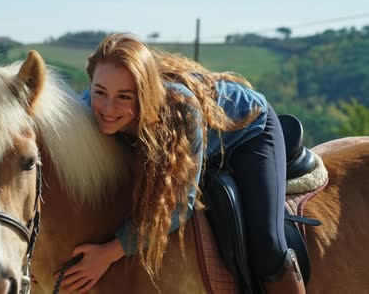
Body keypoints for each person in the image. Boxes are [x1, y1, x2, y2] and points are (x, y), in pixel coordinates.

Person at [55, 33, 305, 293]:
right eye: (100, 92)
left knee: (267, 245)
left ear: (145, 93)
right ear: (91, 85)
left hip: (249, 129)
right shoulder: (86, 109)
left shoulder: (180, 111)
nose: (107, 108)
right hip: (193, 140)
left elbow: (177, 206)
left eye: (125, 97)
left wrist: (109, 253)